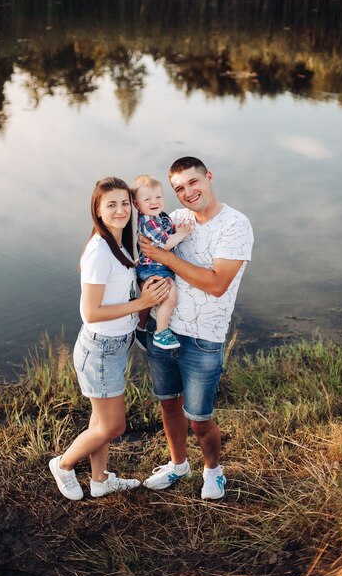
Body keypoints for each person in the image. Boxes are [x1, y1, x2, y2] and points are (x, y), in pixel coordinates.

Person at [139, 157, 254, 500]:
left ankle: (213, 471)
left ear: (209, 177)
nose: (188, 192)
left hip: (204, 339)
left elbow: (217, 284)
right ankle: (178, 465)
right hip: (164, 330)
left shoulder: (235, 224)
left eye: (193, 182)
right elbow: (143, 245)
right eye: (179, 188)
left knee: (200, 418)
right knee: (169, 405)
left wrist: (166, 257)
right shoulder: (175, 218)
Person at [49, 177, 169, 500]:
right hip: (100, 349)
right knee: (113, 426)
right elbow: (91, 312)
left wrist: (145, 304)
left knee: (100, 419)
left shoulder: (119, 245)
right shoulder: (99, 251)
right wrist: (141, 303)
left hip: (117, 346)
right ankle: (62, 464)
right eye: (111, 205)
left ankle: (100, 480)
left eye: (125, 203)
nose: (120, 210)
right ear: (98, 211)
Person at [131, 174, 193, 350]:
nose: (154, 202)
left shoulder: (159, 216)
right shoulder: (149, 221)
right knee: (169, 294)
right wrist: (181, 234)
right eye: (147, 199)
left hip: (153, 265)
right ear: (137, 204)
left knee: (157, 296)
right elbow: (165, 245)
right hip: (154, 267)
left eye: (158, 197)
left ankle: (140, 326)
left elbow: (167, 230)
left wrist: (176, 229)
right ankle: (161, 332)